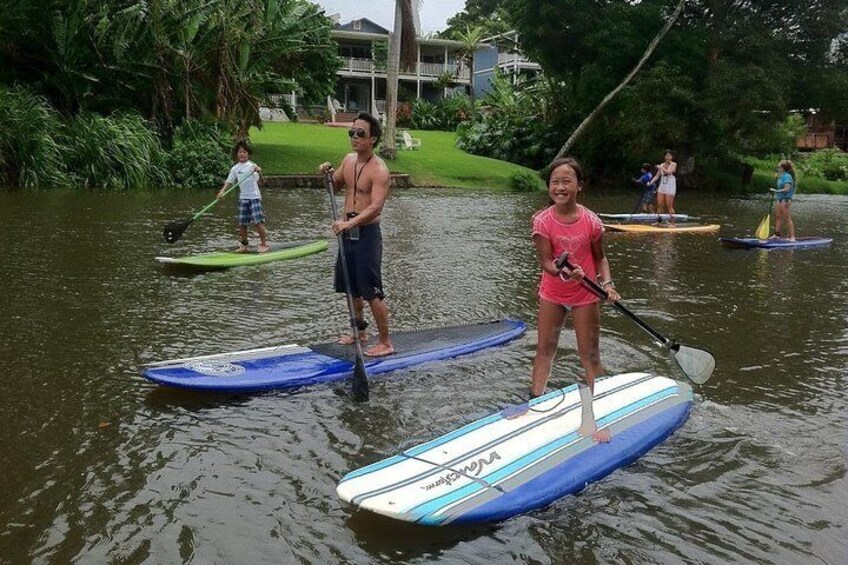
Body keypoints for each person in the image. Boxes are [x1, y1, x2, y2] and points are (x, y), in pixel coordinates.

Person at [528, 157, 620, 442]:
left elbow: (600, 257)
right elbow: (547, 263)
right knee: (545, 350)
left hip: (586, 294)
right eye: (555, 182)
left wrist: (607, 284)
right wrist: (565, 272)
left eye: (567, 181)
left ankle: (602, 415)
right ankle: (534, 408)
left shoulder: (591, 221)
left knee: (589, 355)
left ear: (580, 186)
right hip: (553, 294)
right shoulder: (542, 221)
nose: (560, 187)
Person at [319, 112, 394, 357]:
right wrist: (327, 175)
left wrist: (350, 224)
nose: (355, 137)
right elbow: (336, 184)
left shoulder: (379, 170)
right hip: (347, 233)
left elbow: (375, 208)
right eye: (352, 132)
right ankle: (359, 332)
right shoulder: (349, 161)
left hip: (367, 235)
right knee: (351, 288)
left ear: (372, 139)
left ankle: (385, 342)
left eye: (360, 133)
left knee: (371, 291)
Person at [217, 141, 268, 253]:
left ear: (248, 154)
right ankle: (244, 245)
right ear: (237, 154)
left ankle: (264, 244)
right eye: (240, 152)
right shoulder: (235, 168)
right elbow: (229, 181)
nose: (242, 154)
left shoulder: (252, 166)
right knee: (242, 223)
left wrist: (259, 172)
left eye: (244, 152)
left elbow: (262, 183)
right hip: (243, 198)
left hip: (254, 197)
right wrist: (222, 191)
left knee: (257, 222)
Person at [770, 159, 796, 241]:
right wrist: (777, 178)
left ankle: (792, 237)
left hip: (785, 200)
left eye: (779, 166)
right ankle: (777, 234)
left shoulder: (787, 176)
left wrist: (776, 191)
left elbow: (787, 189)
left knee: (787, 218)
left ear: (783, 168)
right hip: (779, 199)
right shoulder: (781, 176)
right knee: (778, 217)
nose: (777, 168)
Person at [650, 149, 677, 225]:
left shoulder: (674, 164)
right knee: (660, 204)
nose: (668, 157)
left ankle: (672, 222)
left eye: (670, 156)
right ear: (664, 157)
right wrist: (650, 183)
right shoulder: (662, 165)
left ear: (672, 157)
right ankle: (659, 221)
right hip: (662, 185)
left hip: (670, 186)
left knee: (669, 205)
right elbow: (657, 176)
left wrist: (661, 168)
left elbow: (669, 172)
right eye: (667, 156)